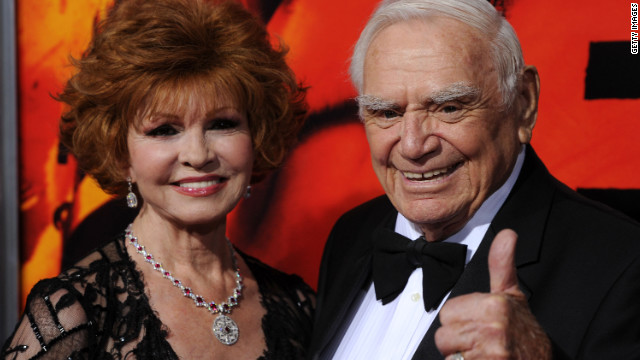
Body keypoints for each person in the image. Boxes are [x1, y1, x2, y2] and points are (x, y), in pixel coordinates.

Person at [309, 0, 640, 359]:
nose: (413, 145)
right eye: (387, 112)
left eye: (449, 108)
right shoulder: (350, 236)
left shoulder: (623, 266)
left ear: (524, 103)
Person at [2, 0, 314, 359]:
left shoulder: (298, 305)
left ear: (255, 137)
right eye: (164, 129)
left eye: (222, 124)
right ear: (121, 156)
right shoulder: (74, 312)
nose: (198, 155)